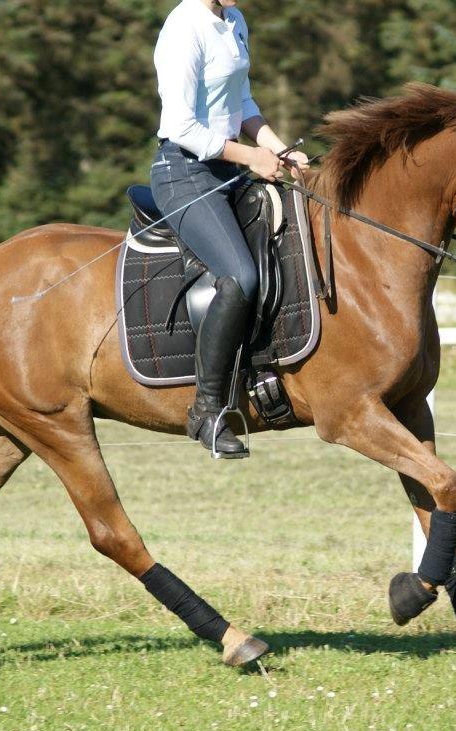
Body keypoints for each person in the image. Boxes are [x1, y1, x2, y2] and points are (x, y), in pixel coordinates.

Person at [150, 0, 307, 457]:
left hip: (228, 169)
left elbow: (242, 102)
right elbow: (180, 126)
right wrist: (251, 156)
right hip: (183, 173)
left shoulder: (234, 20)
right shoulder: (184, 28)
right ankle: (206, 410)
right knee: (240, 276)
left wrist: (279, 150)